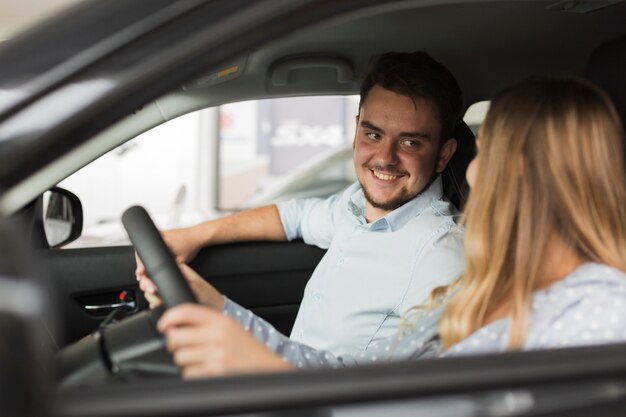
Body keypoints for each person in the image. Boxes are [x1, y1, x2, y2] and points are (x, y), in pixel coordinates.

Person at [156, 76, 626, 379]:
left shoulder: (598, 310)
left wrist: (261, 366)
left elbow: (389, 401)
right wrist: (218, 304)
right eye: (373, 134)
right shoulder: (495, 286)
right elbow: (297, 216)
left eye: (487, 155)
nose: (475, 172)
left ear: (522, 171)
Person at [137, 51, 466, 356]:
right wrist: (195, 236)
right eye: (373, 135)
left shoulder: (440, 255)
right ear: (356, 132)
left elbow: (377, 390)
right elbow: (292, 216)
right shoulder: (353, 208)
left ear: (443, 155)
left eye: (410, 142)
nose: (385, 158)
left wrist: (220, 312)